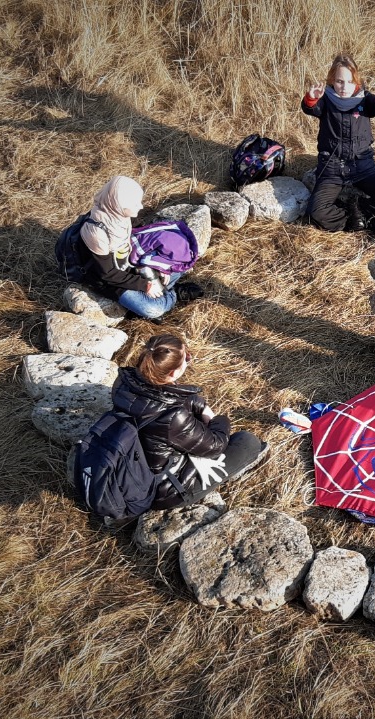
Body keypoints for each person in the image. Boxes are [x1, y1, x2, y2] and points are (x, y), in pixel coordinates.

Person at [112, 334, 267, 512]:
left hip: (134, 463)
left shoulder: (124, 380)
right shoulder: (174, 417)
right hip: (164, 490)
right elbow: (215, 445)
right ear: (173, 373)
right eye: (187, 357)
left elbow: (161, 398)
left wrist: (198, 404)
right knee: (248, 442)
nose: (189, 360)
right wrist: (218, 419)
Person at [78, 176, 204, 319]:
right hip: (109, 279)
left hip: (131, 264)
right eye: (135, 203)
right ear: (119, 204)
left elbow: (140, 241)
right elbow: (107, 274)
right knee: (153, 310)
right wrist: (146, 285)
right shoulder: (96, 233)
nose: (141, 206)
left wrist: (162, 268)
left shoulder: (118, 215)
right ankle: (174, 293)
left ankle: (158, 293)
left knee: (182, 262)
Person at [301, 54, 375, 233]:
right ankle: (353, 217)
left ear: (356, 81)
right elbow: (312, 108)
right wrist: (311, 98)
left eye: (349, 81)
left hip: (362, 165)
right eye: (339, 81)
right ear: (332, 80)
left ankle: (359, 209)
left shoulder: (364, 99)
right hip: (331, 168)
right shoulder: (325, 99)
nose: (344, 87)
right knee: (315, 213)